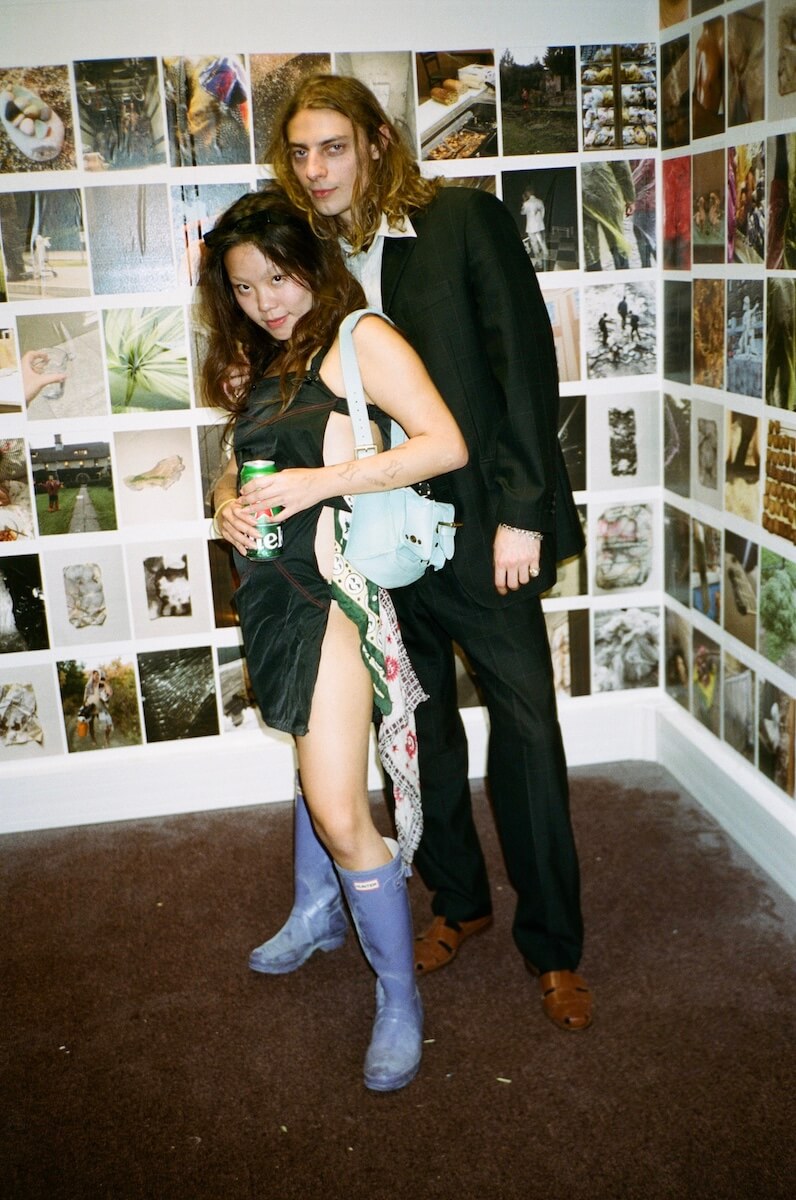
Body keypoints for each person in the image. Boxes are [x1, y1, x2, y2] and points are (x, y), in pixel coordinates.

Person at [268, 74, 592, 1033]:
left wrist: (523, 513)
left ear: (376, 141)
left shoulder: (461, 223)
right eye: (300, 152)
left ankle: (554, 948)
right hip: (373, 537)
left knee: (526, 728)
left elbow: (524, 369)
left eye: (333, 146)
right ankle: (459, 902)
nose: (316, 168)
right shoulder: (308, 259)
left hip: (485, 527)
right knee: (419, 729)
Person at [198, 186, 467, 1092]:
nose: (264, 302)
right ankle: (316, 912)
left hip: (334, 599)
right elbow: (236, 469)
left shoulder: (363, 338)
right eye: (244, 289)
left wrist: (323, 482)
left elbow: (445, 445)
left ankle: (399, 999)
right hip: (271, 596)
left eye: (277, 279)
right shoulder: (263, 359)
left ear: (312, 264)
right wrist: (225, 507)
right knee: (316, 764)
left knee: (344, 810)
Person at [520, 187, 548, 270]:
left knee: (534, 244)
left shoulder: (526, 203)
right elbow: (543, 212)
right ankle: (546, 258)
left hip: (531, 227)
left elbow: (522, 212)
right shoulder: (540, 201)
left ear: (528, 193)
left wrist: (524, 202)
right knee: (542, 242)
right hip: (540, 225)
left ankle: (539, 262)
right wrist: (540, 220)